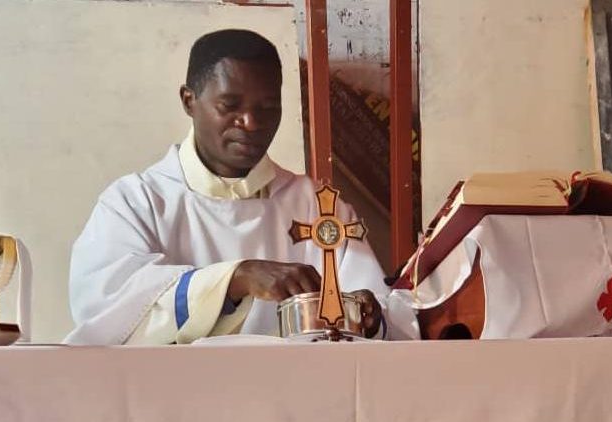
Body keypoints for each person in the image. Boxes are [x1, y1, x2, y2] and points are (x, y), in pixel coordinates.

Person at [66, 29, 392, 345]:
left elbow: (383, 312)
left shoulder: (317, 206)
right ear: (189, 101)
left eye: (267, 108)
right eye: (230, 105)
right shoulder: (136, 202)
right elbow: (107, 314)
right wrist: (235, 279)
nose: (250, 123)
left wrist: (371, 316)